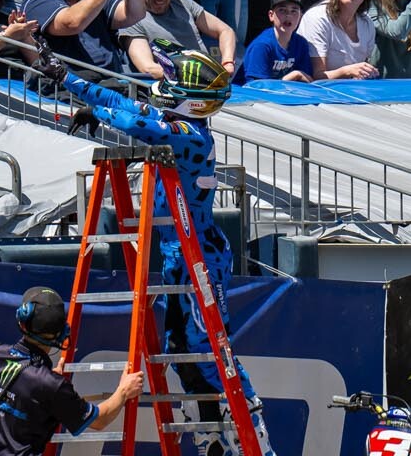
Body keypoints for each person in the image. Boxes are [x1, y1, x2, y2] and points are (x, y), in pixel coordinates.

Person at [37, 50, 267, 450]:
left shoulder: (191, 135)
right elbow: (124, 104)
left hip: (201, 256)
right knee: (179, 348)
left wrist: (98, 114)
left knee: (207, 346)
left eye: (176, 78)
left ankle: (252, 424)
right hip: (179, 253)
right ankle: (210, 434)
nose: (166, 80)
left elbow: (136, 124)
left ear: (192, 96)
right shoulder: (177, 123)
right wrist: (66, 77)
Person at [0, 287, 147, 456]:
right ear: (61, 334)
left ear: (22, 322)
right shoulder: (50, 385)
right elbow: (100, 420)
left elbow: (20, 390)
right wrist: (124, 391)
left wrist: (46, 382)